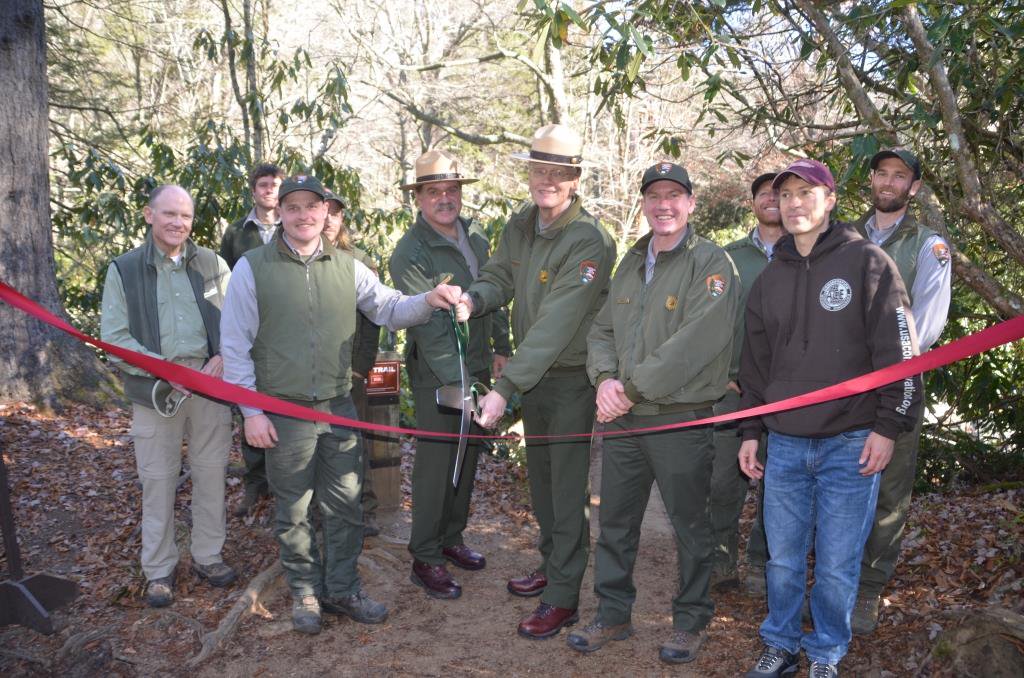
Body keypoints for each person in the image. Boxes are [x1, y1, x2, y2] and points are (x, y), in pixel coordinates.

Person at [220, 174, 462, 635]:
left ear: (326, 211)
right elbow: (234, 345)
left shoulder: (348, 266)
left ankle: (342, 587)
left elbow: (389, 307)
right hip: (283, 410)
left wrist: (429, 300)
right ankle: (305, 592)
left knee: (347, 503)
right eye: (294, 207)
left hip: (337, 406)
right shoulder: (253, 267)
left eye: (314, 206)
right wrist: (251, 412)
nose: (304, 214)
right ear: (281, 212)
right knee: (293, 507)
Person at [737, 159, 922, 678]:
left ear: (831, 200)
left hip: (852, 441)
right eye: (787, 194)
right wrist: (750, 432)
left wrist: (888, 427)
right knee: (782, 560)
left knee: (839, 565)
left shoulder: (868, 262)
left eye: (807, 193)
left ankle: (825, 654)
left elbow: (901, 354)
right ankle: (781, 643)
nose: (796, 203)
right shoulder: (771, 275)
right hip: (787, 444)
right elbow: (754, 365)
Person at [568, 163, 738, 664]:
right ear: (644, 203)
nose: (664, 204)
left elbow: (695, 344)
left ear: (691, 203)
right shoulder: (629, 262)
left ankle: (690, 621)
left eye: (674, 195)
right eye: (655, 196)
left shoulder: (711, 263)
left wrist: (631, 389)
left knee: (690, 525)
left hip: (679, 418)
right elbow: (601, 332)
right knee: (615, 522)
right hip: (622, 420)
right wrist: (605, 381)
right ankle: (613, 614)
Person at [456, 124, 616, 639]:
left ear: (574, 180)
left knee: (567, 490)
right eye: (539, 169)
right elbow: (501, 274)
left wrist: (505, 389)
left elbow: (556, 325)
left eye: (558, 172)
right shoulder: (522, 223)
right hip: (536, 379)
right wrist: (473, 299)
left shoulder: (588, 239)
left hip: (570, 379)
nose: (546, 179)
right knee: (543, 486)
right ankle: (555, 566)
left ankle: (565, 597)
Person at [100, 184, 236, 608]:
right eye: (169, 214)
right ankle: (158, 569)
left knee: (212, 471)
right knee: (157, 479)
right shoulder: (124, 269)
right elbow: (115, 338)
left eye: (186, 216)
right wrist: (164, 370)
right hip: (156, 385)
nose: (178, 223)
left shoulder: (213, 264)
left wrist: (223, 357)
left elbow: (237, 322)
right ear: (149, 215)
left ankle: (208, 555)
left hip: (210, 382)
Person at [389, 150, 512, 599]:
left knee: (469, 457)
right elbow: (431, 326)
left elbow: (493, 291)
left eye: (451, 190)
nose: (445, 198)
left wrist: (501, 349)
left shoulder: (476, 235)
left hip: (478, 367)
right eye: (434, 191)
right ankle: (424, 555)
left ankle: (451, 538)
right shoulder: (411, 252)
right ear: (418, 198)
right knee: (439, 464)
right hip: (440, 375)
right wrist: (458, 383)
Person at [850, 149, 951, 634]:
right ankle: (836, 585)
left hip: (899, 381)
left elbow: (928, 323)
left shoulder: (928, 245)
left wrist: (880, 359)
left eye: (900, 177)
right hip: (842, 385)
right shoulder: (843, 236)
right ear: (872, 179)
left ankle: (868, 593)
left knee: (889, 490)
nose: (889, 183)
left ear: (913, 188)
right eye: (882, 173)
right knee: (839, 484)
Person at [710, 172, 781, 593]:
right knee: (724, 479)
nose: (773, 199)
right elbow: (707, 320)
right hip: (733, 391)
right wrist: (721, 376)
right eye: (765, 193)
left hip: (788, 394)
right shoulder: (728, 258)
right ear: (752, 202)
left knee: (778, 485)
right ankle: (721, 559)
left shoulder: (807, 254)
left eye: (781, 192)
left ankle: (761, 561)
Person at [218, 163, 286, 517]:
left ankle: (283, 482)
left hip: (283, 329)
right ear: (253, 191)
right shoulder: (236, 233)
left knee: (283, 404)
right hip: (247, 328)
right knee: (250, 400)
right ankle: (255, 481)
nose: (269, 191)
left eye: (275, 185)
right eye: (263, 185)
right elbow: (224, 284)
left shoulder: (293, 226)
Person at [323, 189, 383, 538]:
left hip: (350, 370)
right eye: (324, 210)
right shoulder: (299, 256)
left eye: (336, 212)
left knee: (355, 440)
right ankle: (325, 511)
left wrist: (362, 365)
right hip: (311, 373)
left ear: (342, 218)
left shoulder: (359, 259)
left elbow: (373, 317)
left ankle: (365, 508)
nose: (329, 219)